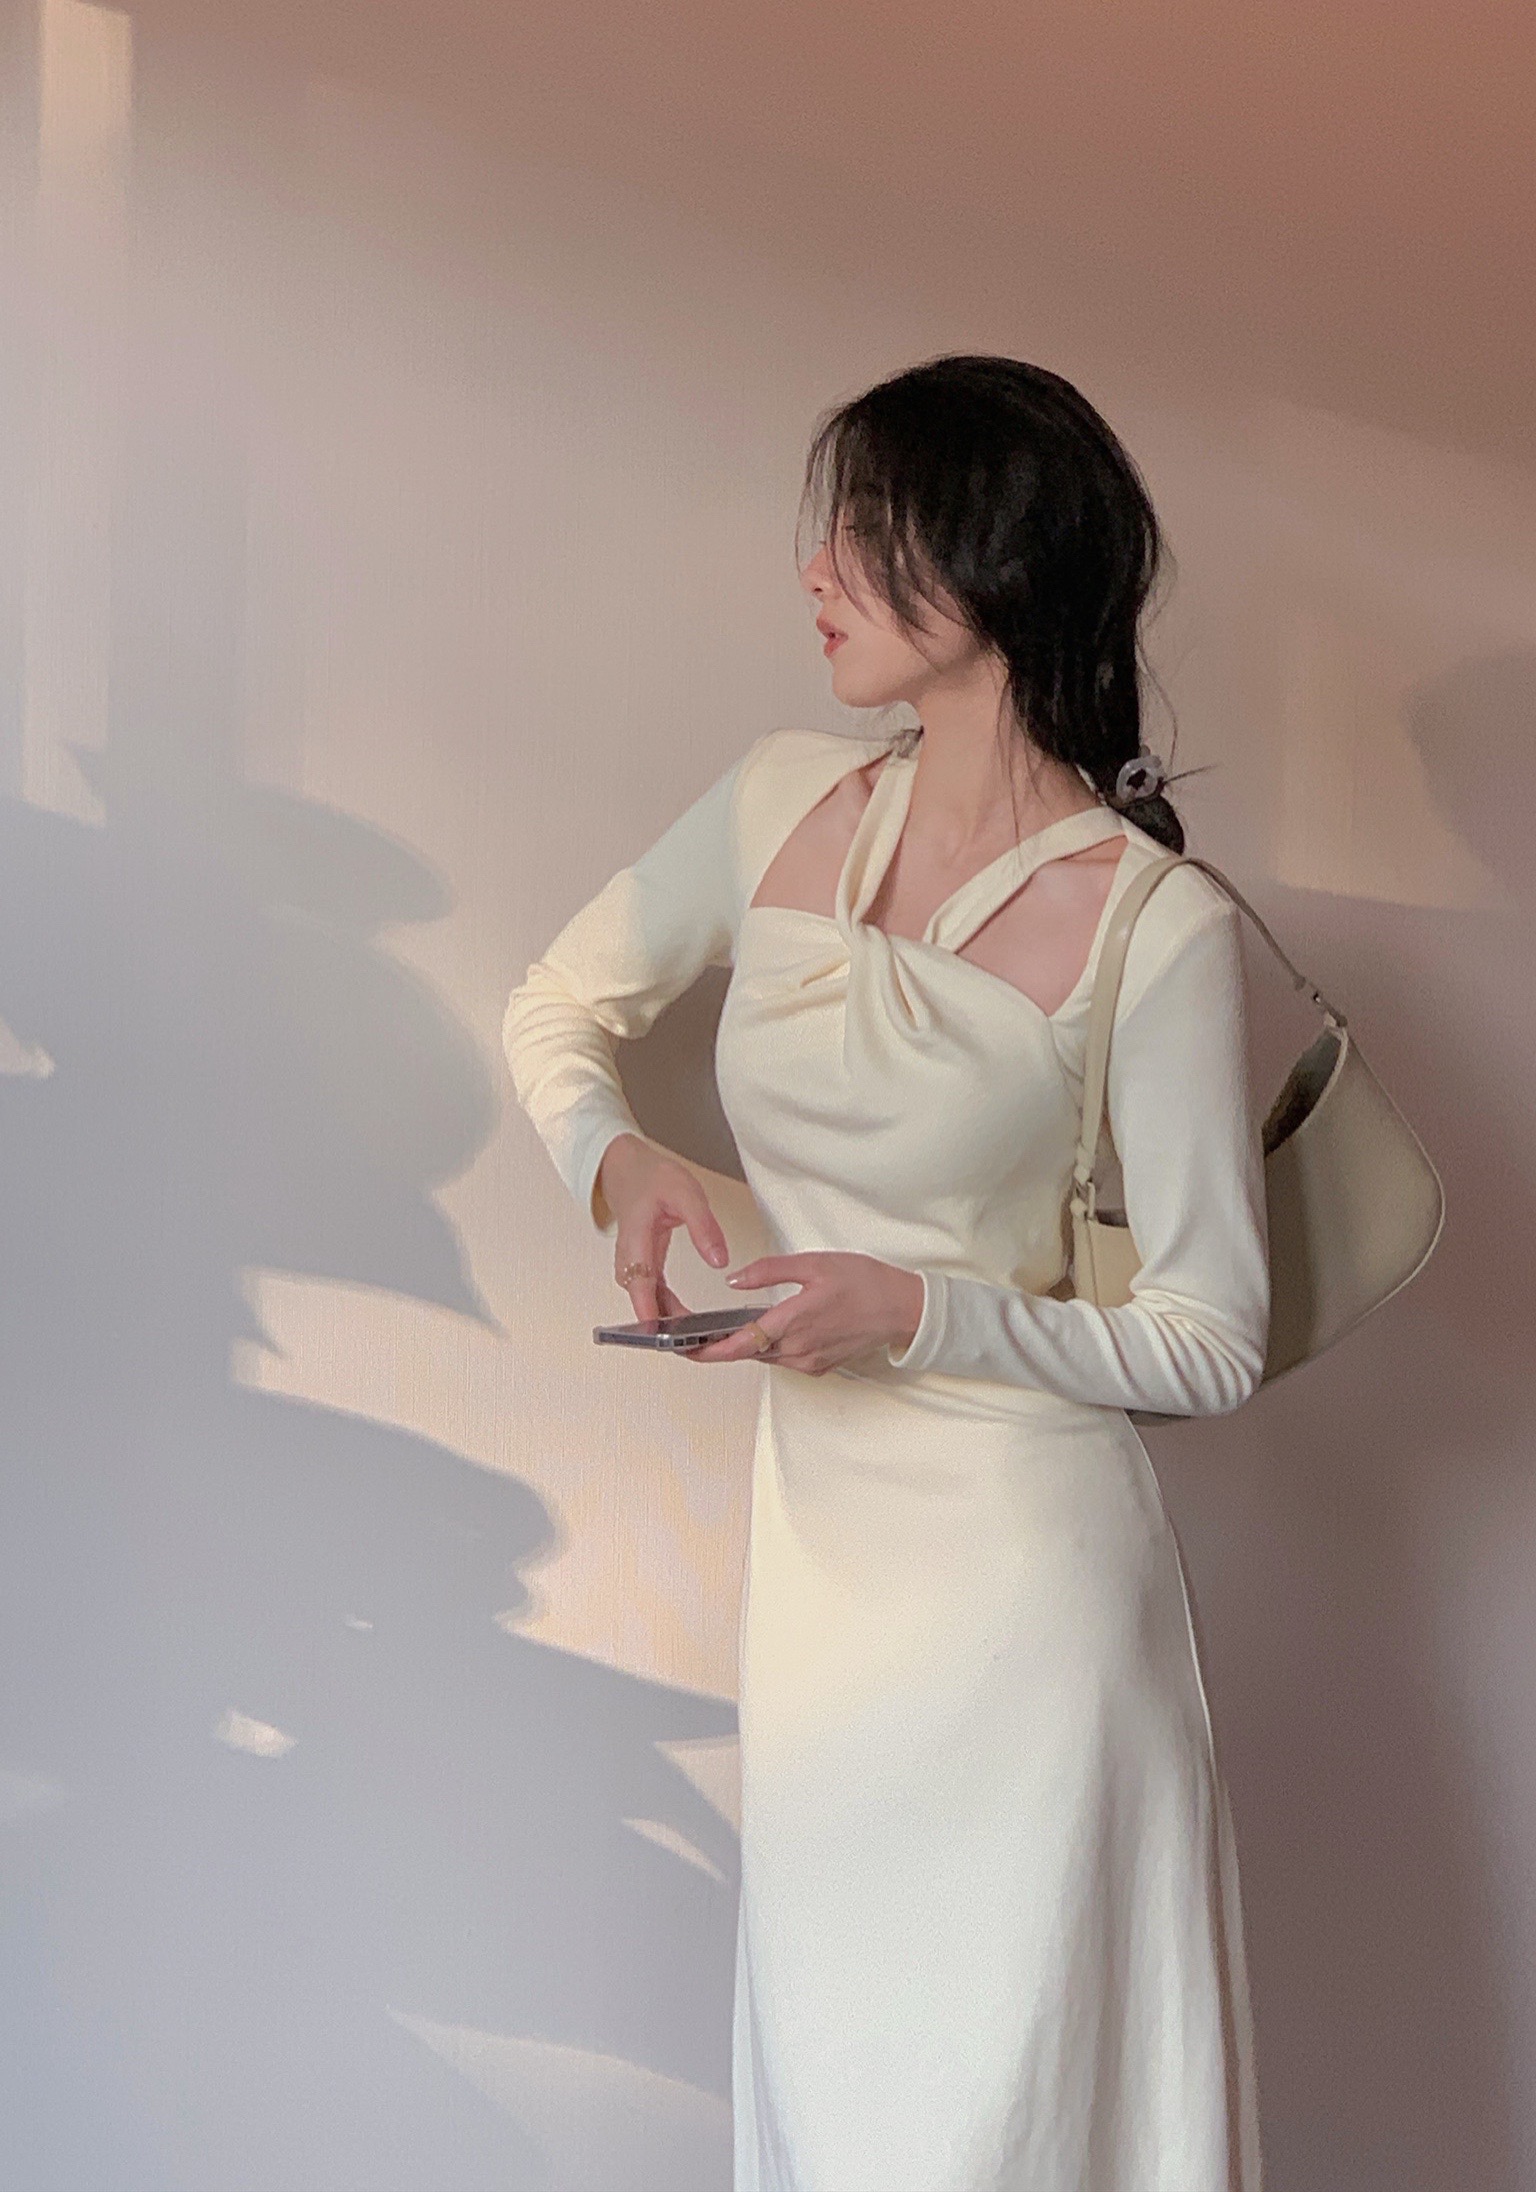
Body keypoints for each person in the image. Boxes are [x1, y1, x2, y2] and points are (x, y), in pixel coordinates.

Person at [502, 353, 1270, 2192]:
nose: (817, 570)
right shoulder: (779, 798)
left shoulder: (1156, 926)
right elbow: (556, 1006)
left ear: (991, 560)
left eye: (866, 530)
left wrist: (916, 1311)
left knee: (1015, 2111)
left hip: (1033, 1598)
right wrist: (616, 1160)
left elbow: (1214, 1340)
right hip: (829, 1596)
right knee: (848, 2090)